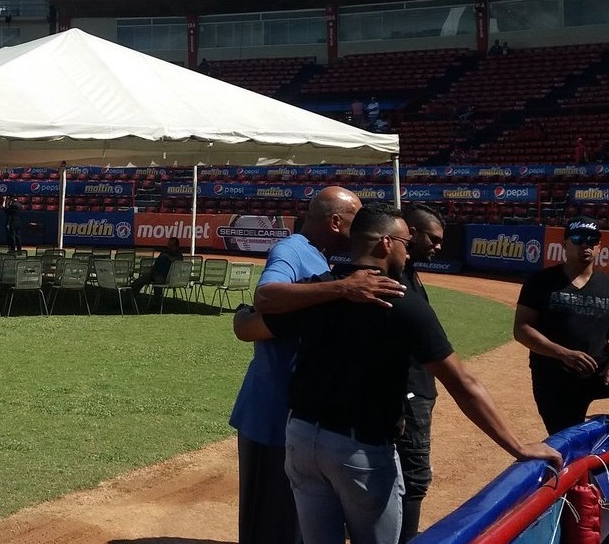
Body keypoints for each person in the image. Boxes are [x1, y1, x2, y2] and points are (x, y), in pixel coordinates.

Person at [236, 204, 561, 544]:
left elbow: (254, 325)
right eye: (406, 242)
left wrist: (240, 318)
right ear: (386, 244)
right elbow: (461, 382)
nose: (409, 253)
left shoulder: (319, 288)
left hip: (301, 440)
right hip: (359, 449)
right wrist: (518, 446)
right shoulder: (400, 302)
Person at [231, 187, 404, 544]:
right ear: (335, 221)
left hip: (301, 415)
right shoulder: (292, 249)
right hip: (271, 414)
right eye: (357, 219)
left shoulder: (322, 257)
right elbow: (266, 296)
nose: (363, 227)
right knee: (270, 524)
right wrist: (342, 288)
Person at [514, 217, 609, 435]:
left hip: (598, 373)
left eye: (592, 240)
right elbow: (522, 328)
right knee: (566, 439)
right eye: (578, 239)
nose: (585, 245)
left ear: (599, 247)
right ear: (565, 244)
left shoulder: (607, 285)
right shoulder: (541, 281)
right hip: (555, 377)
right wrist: (564, 354)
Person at [396, 204, 447, 544]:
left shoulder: (409, 272)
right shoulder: (397, 278)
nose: (438, 246)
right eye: (433, 238)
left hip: (416, 391)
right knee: (414, 477)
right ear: (410, 233)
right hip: (407, 394)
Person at [129, 237, 183, 310]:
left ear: (176, 246)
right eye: (169, 244)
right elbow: (156, 264)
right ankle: (130, 296)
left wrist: (167, 257)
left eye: (171, 245)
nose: (169, 246)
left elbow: (175, 261)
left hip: (168, 277)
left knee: (158, 281)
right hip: (156, 273)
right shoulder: (165, 252)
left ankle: (157, 303)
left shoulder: (178, 254)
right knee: (142, 279)